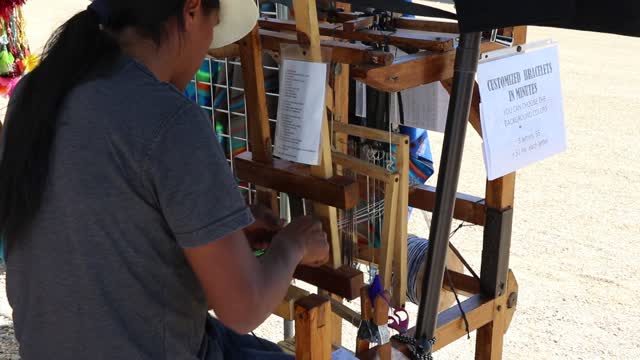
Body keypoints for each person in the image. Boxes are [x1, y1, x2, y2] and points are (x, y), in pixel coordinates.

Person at [0, 0, 330, 359]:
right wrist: (293, 245)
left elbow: (101, 240)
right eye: (213, 27)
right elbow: (244, 308)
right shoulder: (168, 118)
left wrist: (225, 238)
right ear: (191, 11)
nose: (207, 49)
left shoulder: (31, 94)